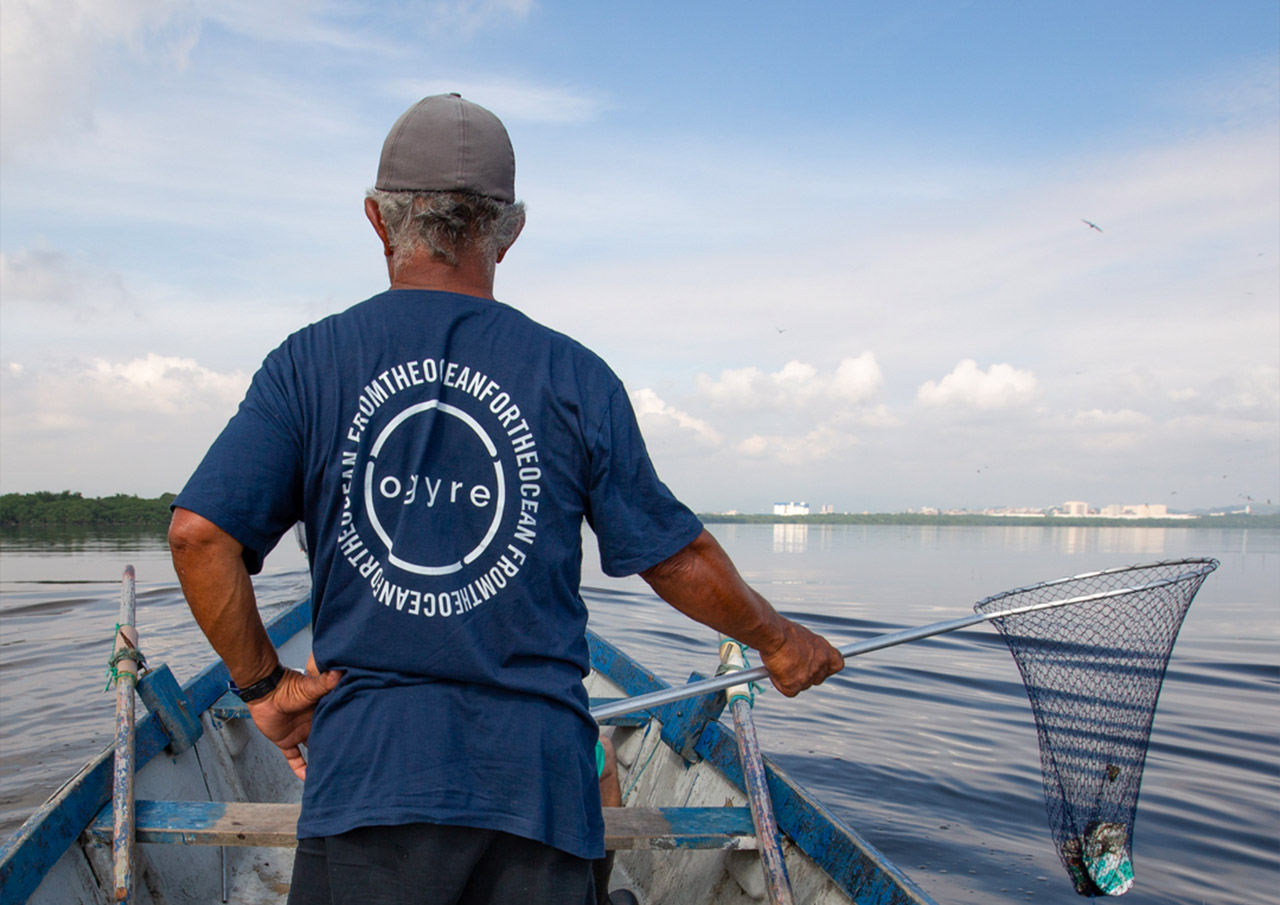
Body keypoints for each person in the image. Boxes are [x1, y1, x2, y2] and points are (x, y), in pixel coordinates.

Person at [168, 93, 844, 905]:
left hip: (367, 787)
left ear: (379, 222)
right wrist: (775, 638)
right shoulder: (576, 377)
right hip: (539, 794)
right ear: (509, 230)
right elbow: (676, 555)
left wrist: (263, 689)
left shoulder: (308, 364)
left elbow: (200, 536)